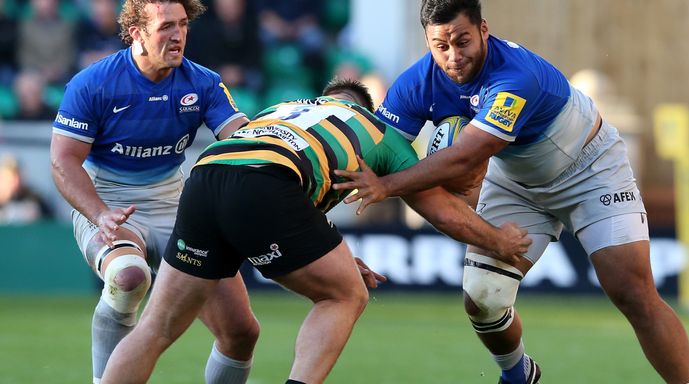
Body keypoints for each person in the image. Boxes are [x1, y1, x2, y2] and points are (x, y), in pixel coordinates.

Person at [333, 0, 689, 384]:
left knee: (633, 294)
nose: (454, 56)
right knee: (482, 298)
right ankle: (518, 374)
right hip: (516, 181)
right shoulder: (416, 83)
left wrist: (389, 185)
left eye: (463, 41)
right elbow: (379, 148)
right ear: (428, 42)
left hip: (592, 171)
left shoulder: (515, 76)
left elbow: (466, 156)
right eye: (441, 46)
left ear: (484, 29)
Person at [100, 78, 532, 384]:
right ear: (365, 107)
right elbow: (441, 211)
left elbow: (285, 199)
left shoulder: (282, 109)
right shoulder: (377, 131)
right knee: (345, 295)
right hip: (265, 184)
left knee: (156, 327)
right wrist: (498, 240)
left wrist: (335, 255)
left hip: (206, 176)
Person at [50, 0, 258, 384]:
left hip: (175, 203)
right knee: (129, 278)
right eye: (166, 26)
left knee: (240, 332)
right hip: (108, 199)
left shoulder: (203, 82)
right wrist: (100, 213)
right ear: (136, 34)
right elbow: (63, 162)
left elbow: (241, 144)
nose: (178, 35)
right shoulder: (93, 84)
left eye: (183, 24)